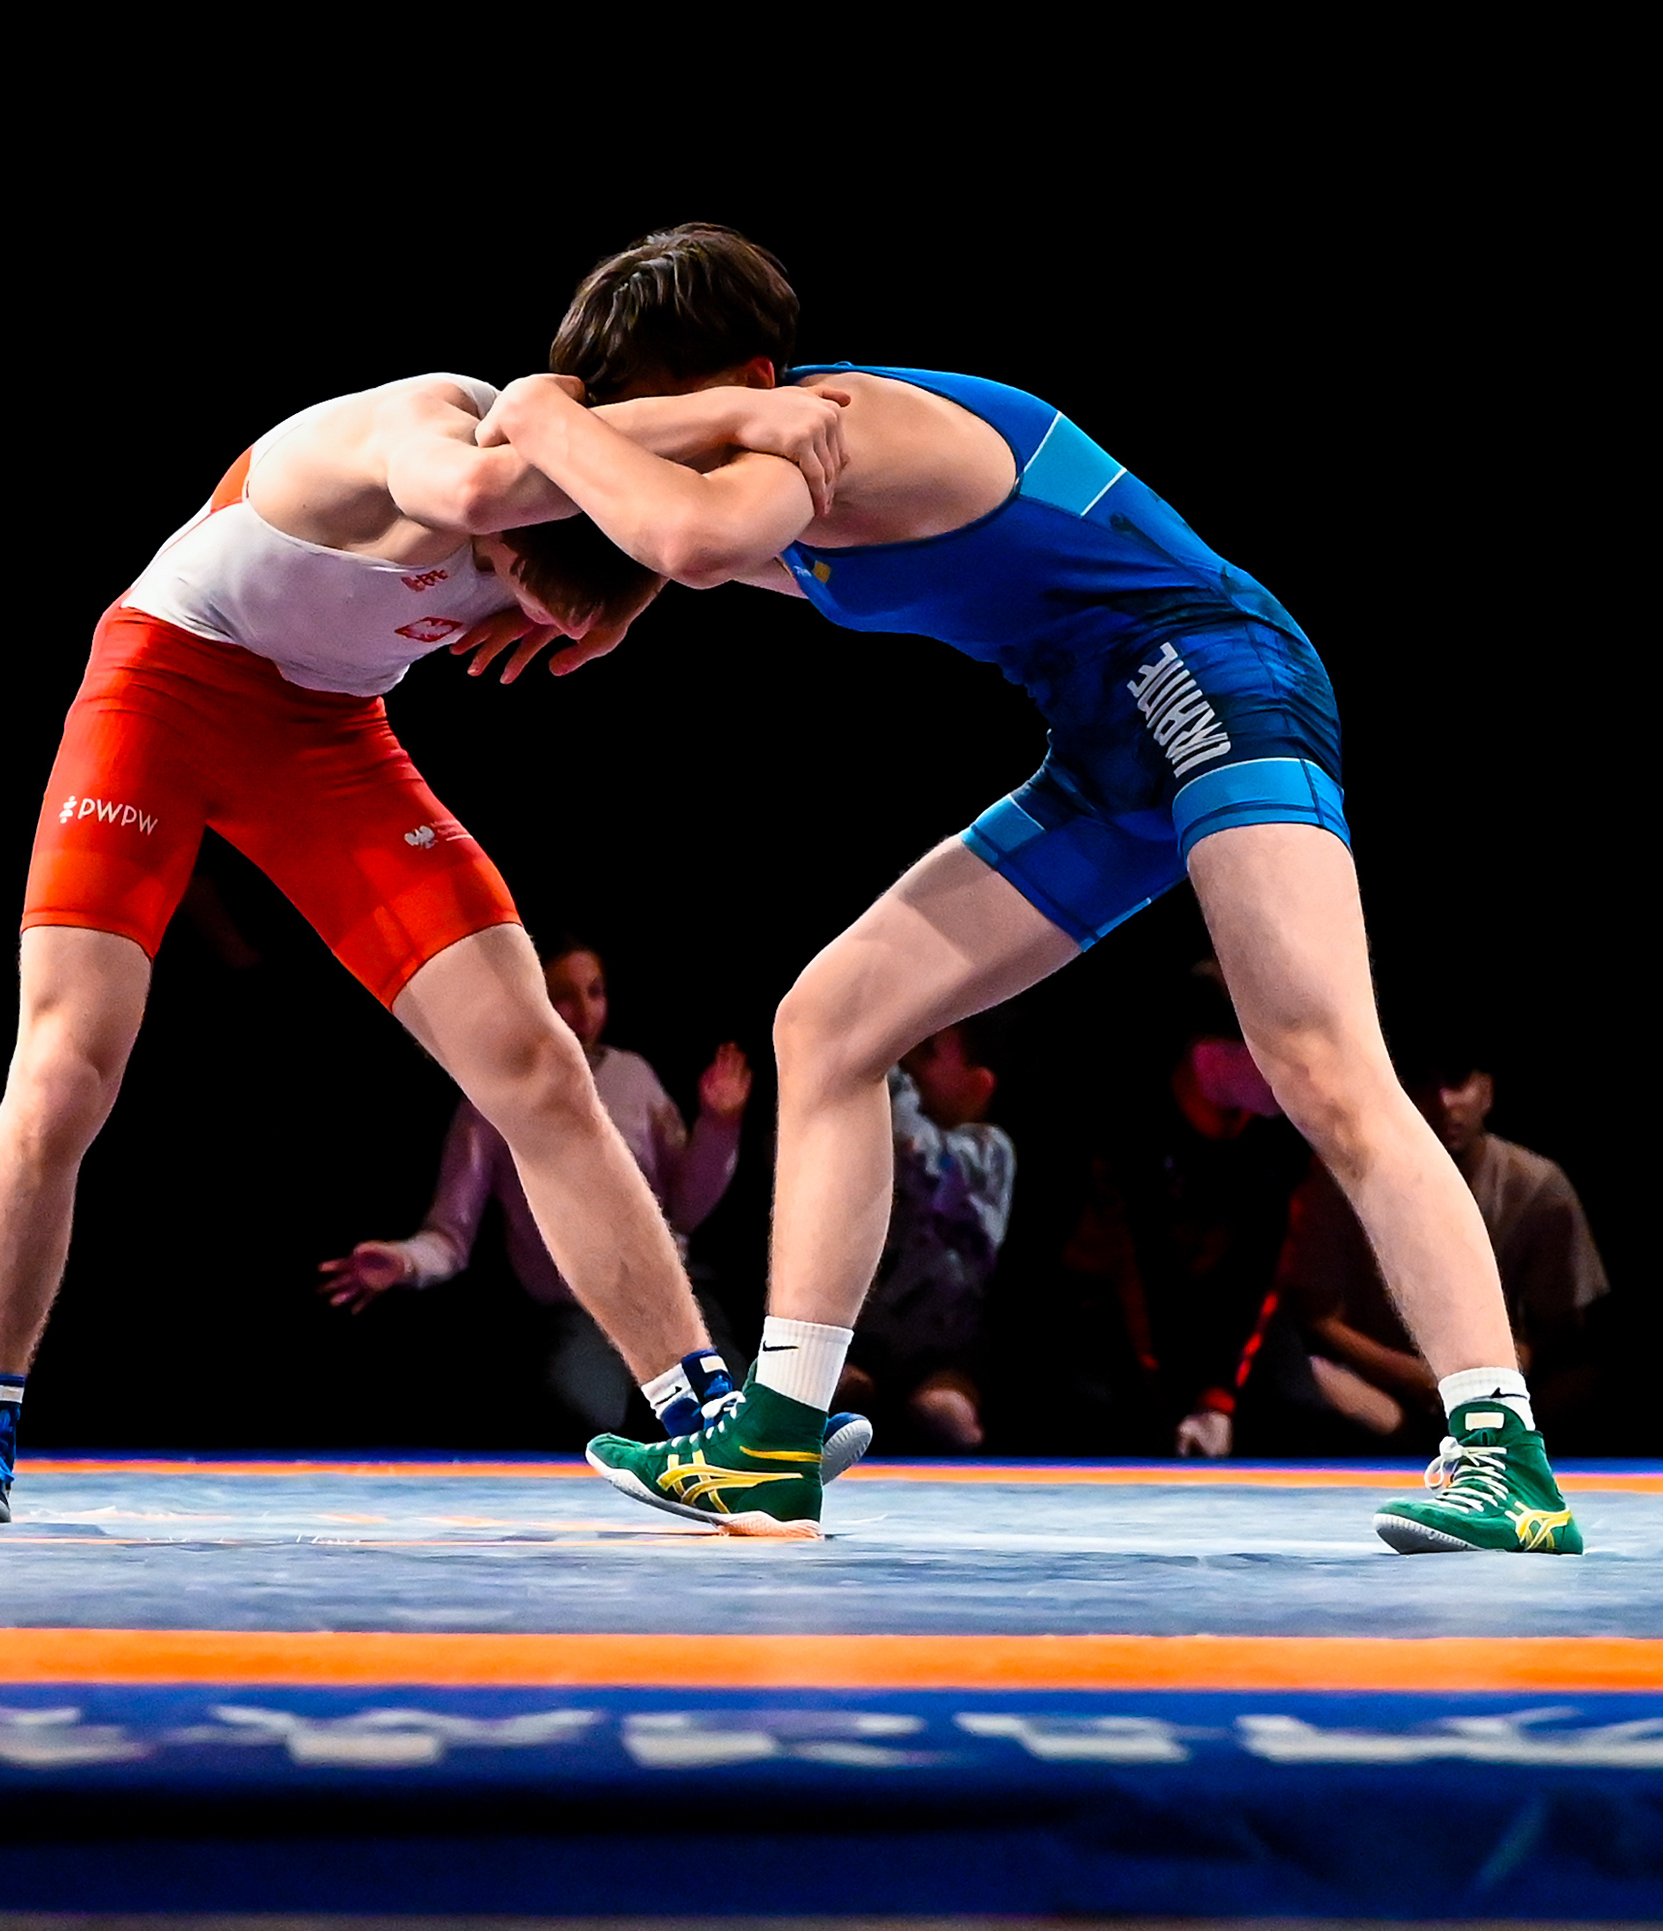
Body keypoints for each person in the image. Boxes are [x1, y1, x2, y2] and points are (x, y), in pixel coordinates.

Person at [461, 225, 1581, 1556]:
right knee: (831, 1020)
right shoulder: (772, 456)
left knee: (1321, 1059)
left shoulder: (833, 428)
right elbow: (677, 543)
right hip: (1107, 744)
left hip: (1217, 678)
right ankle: (774, 1441)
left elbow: (692, 538)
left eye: (648, 410)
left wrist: (536, 410)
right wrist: (603, 599)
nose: (630, 443)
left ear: (751, 376)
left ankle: (1500, 1449)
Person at [0, 365, 858, 1528]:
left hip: (326, 735)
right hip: (160, 693)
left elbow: (755, 554)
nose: (551, 622)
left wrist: (643, 592)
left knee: (539, 1062)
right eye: (537, 588)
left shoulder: (596, 495)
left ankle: (703, 1421)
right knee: (63, 1071)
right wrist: (747, 416)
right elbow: (477, 481)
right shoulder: (427, 434)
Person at [319, 939, 753, 1436]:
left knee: (729, 1417)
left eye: (596, 992)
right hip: (581, 1308)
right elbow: (450, 1234)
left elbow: (684, 1208)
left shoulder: (633, 1077)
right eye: (564, 996)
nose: (585, 1011)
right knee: (582, 1411)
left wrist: (719, 1127)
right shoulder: (491, 1098)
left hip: (670, 1295)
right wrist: (405, 1260)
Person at [1263, 1051, 1610, 1452]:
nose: (1443, 1103)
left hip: (1505, 1395)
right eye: (1423, 1084)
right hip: (1388, 1396)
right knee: (1310, 1374)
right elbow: (1318, 1317)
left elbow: (1564, 1327)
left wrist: (1503, 1373)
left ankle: (1506, 1459)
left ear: (1487, 1091)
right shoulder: (1340, 1179)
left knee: (1588, 1379)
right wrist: (1413, 1375)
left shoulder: (1537, 1187)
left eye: (1458, 1082)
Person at [1054, 981, 1306, 1459]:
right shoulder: (1130, 1125)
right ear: (1210, 1058)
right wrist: (1164, 1402)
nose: (1289, 1072)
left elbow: (1262, 1271)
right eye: (1268, 1054)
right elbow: (1134, 1268)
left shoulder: (1280, 1138)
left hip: (1224, 1314)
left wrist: (1218, 1400)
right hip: (1122, 1312)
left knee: (1294, 1403)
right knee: (1091, 1404)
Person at [836, 1025, 1015, 1450]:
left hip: (947, 1351)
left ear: (977, 1085)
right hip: (867, 1343)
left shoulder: (990, 1151)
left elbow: (920, 1155)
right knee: (840, 1399)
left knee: (942, 1415)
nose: (911, 1063)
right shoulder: (876, 1143)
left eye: (926, 1051)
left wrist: (887, 1064)